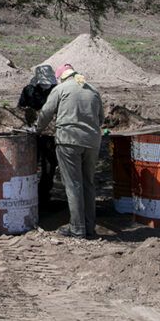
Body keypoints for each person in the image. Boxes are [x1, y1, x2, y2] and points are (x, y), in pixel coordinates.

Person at [34, 63, 104, 239]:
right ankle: (89, 226)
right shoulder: (93, 89)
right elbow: (101, 118)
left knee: (73, 184)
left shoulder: (61, 89)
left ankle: (77, 228)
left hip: (69, 141)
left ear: (61, 77)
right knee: (88, 183)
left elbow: (46, 112)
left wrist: (37, 129)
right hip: (92, 142)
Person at [17, 64, 59, 211]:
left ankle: (44, 195)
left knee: (49, 165)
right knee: (30, 163)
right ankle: (28, 194)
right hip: (32, 133)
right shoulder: (28, 90)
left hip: (51, 134)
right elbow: (21, 109)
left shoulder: (56, 90)